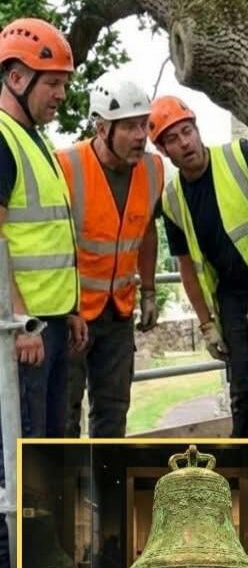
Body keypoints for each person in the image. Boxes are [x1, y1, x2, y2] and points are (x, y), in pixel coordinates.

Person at [148, 95, 248, 437]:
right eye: (172, 139)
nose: (184, 142)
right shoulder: (172, 199)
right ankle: (247, 471)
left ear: (197, 129)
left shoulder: (239, 155)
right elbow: (186, 267)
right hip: (232, 297)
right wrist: (206, 324)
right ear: (163, 151)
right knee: (245, 390)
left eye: (186, 131)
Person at [0, 17, 86, 568]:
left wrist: (71, 309)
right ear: (15, 75)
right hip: (24, 333)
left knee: (52, 443)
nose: (60, 94)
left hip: (54, 325)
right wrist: (23, 322)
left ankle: (48, 559)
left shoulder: (38, 143)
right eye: (51, 82)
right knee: (24, 449)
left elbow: (53, 239)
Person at [58, 70, 163, 437]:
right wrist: (65, 308)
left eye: (144, 125)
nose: (141, 136)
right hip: (72, 314)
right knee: (65, 413)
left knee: (113, 411)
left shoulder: (153, 168)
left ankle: (108, 488)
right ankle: (64, 491)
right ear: (102, 129)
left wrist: (148, 291)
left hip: (118, 312)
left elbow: (148, 229)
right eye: (130, 127)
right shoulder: (66, 167)